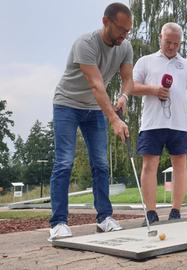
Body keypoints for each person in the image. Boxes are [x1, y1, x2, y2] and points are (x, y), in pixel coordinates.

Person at [49, 2, 133, 241]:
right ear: (105, 21)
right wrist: (115, 119)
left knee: (101, 164)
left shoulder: (125, 47)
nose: (124, 36)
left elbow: (128, 78)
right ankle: (58, 223)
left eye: (128, 31)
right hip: (67, 104)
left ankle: (105, 218)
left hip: (94, 108)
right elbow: (96, 85)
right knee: (64, 161)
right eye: (121, 30)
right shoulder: (85, 44)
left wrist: (124, 95)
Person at [131, 22, 187, 225]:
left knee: (180, 165)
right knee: (149, 165)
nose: (171, 47)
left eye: (176, 44)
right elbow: (131, 86)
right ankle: (151, 213)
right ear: (160, 37)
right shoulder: (145, 61)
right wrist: (153, 90)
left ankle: (176, 212)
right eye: (168, 42)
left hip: (179, 125)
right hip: (152, 123)